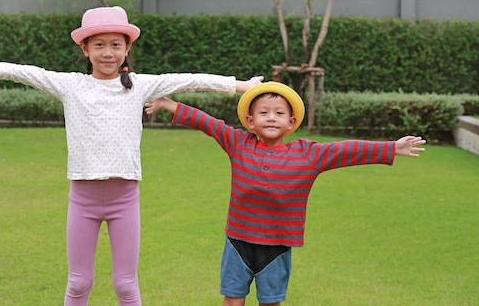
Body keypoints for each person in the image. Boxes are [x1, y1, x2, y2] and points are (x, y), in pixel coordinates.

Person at [0, 6, 263, 306]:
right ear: (85, 48)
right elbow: (18, 71)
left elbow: (190, 80)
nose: (108, 53)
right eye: (99, 45)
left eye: (116, 44)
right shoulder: (70, 85)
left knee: (125, 284)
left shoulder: (141, 86)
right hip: (82, 199)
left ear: (127, 48)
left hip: (125, 199)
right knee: (79, 282)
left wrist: (241, 86)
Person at [144, 81, 426, 306]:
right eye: (263, 112)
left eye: (279, 113)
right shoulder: (238, 143)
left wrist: (391, 148)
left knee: (271, 300)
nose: (271, 118)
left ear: (290, 123)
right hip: (238, 241)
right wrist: (169, 104)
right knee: (232, 297)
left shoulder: (309, 154)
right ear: (250, 121)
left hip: (276, 246)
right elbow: (209, 124)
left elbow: (346, 150)